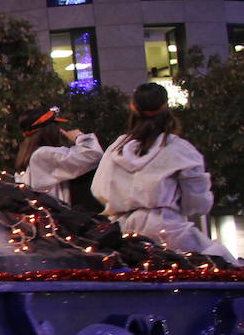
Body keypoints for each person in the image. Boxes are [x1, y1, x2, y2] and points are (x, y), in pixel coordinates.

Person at [92, 82, 236, 261]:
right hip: (169, 231)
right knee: (222, 265)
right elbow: (198, 204)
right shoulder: (179, 149)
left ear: (133, 108)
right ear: (166, 107)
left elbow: (99, 189)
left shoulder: (116, 149)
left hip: (122, 234)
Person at [13, 105, 103, 206]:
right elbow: (93, 155)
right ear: (49, 130)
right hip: (55, 213)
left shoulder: (31, 155)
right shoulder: (43, 155)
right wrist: (79, 137)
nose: (59, 130)